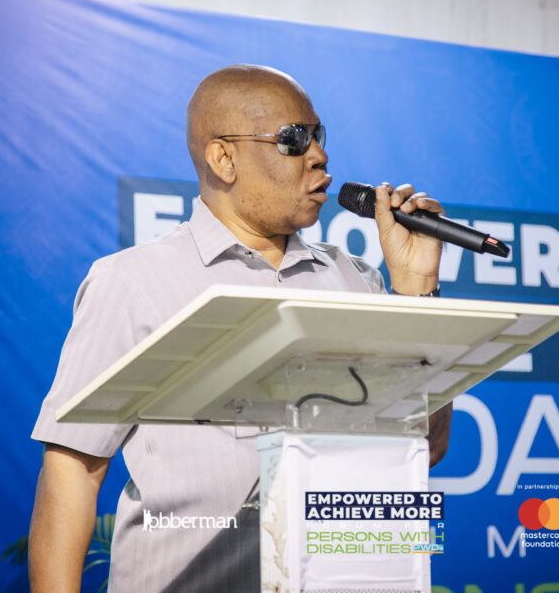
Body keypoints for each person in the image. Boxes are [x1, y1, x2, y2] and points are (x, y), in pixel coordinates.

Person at [28, 64, 452, 592]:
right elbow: (73, 468)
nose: (319, 155)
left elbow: (425, 445)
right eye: (293, 139)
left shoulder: (355, 281)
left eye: (318, 136)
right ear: (223, 158)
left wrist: (416, 289)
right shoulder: (134, 282)